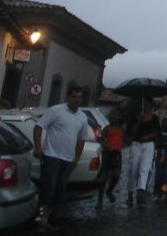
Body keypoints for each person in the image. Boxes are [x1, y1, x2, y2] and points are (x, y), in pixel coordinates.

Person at [32, 85, 92, 231]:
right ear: (68, 97)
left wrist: (76, 158)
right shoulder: (56, 110)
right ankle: (40, 219)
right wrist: (38, 146)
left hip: (67, 159)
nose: (77, 100)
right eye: (74, 97)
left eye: (79, 97)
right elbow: (39, 126)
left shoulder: (82, 118)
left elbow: (81, 139)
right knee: (48, 190)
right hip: (51, 156)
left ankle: (49, 218)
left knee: (59, 192)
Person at [127, 101, 159, 205]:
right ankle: (130, 193)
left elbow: (156, 133)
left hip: (148, 145)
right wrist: (139, 121)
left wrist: (148, 136)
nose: (146, 106)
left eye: (147, 104)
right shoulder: (134, 117)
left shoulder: (154, 118)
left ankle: (141, 192)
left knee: (145, 169)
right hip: (136, 144)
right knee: (134, 169)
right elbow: (131, 131)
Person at [95, 108, 125, 209]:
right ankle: (100, 201)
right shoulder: (107, 128)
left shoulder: (121, 129)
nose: (116, 118)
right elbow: (100, 138)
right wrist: (105, 144)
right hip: (108, 154)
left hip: (117, 154)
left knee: (116, 175)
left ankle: (109, 191)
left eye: (117, 116)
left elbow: (126, 141)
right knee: (103, 178)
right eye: (114, 116)